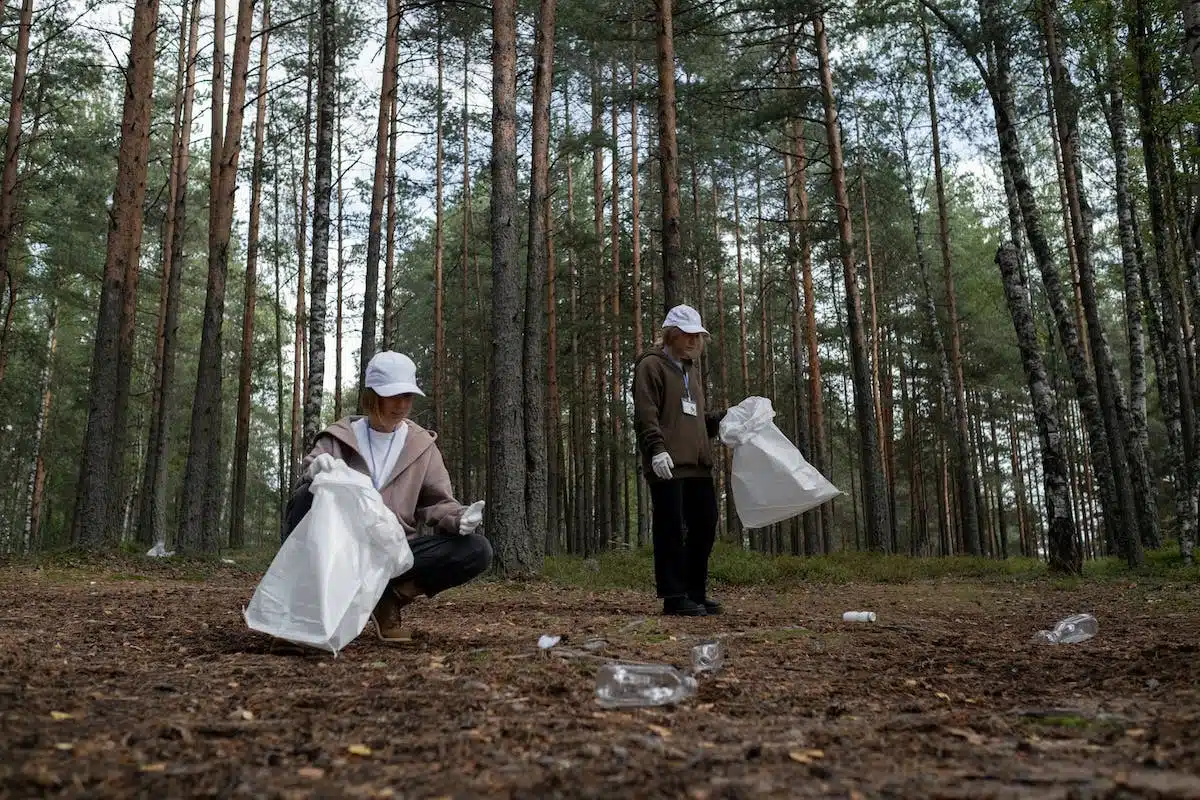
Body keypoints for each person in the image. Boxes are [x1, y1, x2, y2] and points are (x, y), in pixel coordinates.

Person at [285, 350, 491, 641]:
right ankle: (302, 616)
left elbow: (439, 503)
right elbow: (311, 471)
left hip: (392, 554)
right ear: (373, 396)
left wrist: (459, 519)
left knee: (476, 549)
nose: (403, 404)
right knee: (307, 494)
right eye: (394, 395)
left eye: (408, 396)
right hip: (339, 551)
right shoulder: (339, 437)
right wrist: (313, 471)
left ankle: (387, 598)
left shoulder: (422, 446)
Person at [632, 304, 727, 617]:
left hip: (698, 464)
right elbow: (647, 413)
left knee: (705, 525)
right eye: (686, 334)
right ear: (671, 334)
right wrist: (656, 449)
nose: (692, 341)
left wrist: (722, 419)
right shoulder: (651, 365)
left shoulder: (690, 370)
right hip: (667, 463)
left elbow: (694, 418)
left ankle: (695, 592)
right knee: (670, 527)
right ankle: (674, 596)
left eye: (696, 336)